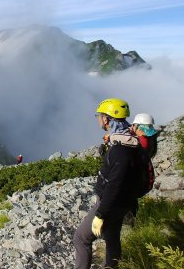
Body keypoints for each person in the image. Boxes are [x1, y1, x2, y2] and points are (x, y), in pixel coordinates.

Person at [73, 98, 140, 269]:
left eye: (100, 115)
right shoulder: (128, 140)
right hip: (125, 202)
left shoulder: (120, 149)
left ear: (107, 119)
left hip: (111, 204)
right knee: (112, 238)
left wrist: (100, 214)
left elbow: (114, 184)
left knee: (81, 238)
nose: (98, 119)